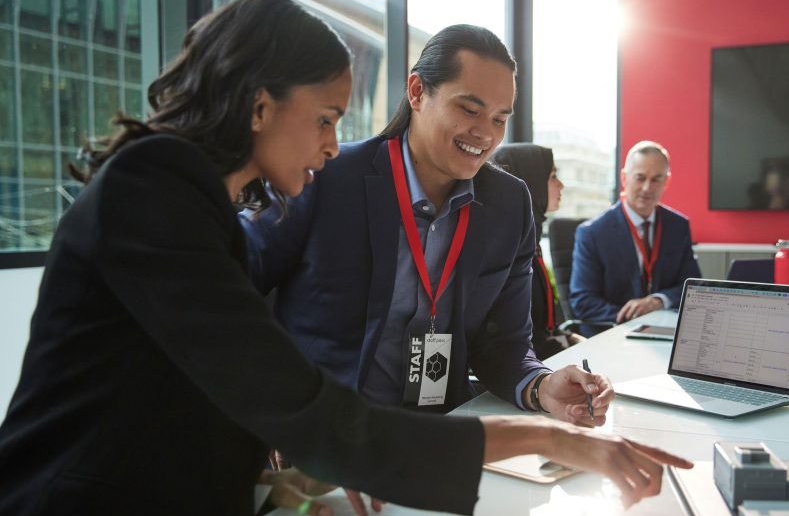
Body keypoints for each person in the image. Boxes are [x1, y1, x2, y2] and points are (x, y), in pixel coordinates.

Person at [0, 0, 691, 516]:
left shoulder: (189, 198)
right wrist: (549, 438)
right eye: (325, 119)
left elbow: (209, 375)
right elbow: (281, 388)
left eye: (502, 119)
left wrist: (277, 462)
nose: (332, 144)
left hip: (202, 507)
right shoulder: (156, 193)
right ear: (259, 105)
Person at [242, 25, 606, 425]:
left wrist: (540, 386)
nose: (485, 134)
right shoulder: (326, 176)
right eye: (469, 109)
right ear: (417, 92)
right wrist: (272, 398)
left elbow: (504, 343)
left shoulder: (508, 203)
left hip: (437, 433)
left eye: (500, 119)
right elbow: (231, 288)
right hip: (327, 430)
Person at [570, 141, 701, 336]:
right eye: (640, 178)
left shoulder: (678, 226)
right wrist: (636, 317)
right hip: (611, 334)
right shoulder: (593, 233)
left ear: (667, 181)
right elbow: (583, 302)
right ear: (624, 178)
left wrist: (658, 301)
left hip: (665, 331)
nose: (647, 188)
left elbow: (693, 284)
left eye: (656, 179)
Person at [491, 143, 586, 360]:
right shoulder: (507, 251)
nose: (561, 185)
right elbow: (515, 342)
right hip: (528, 372)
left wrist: (571, 339)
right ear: (530, 183)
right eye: (553, 176)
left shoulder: (529, 239)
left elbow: (541, 327)